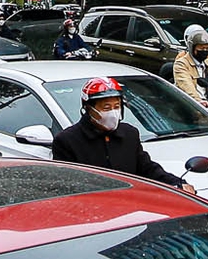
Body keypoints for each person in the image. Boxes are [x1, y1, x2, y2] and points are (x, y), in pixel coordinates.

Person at [50, 77, 196, 194]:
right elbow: (66, 186)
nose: (112, 112)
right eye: (106, 107)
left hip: (131, 209)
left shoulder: (129, 134)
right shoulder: (67, 141)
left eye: (116, 106)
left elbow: (147, 169)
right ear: (88, 108)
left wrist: (176, 183)